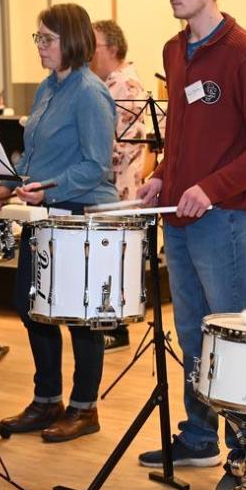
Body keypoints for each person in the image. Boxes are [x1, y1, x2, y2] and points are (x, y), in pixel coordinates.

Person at [135, 0, 246, 490]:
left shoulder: (241, 52)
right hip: (178, 215)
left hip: (221, 219)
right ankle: (199, 437)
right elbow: (182, 135)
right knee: (193, 334)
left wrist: (210, 188)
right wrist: (163, 176)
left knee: (233, 338)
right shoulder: (175, 51)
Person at [0, 4, 116, 442]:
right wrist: (6, 183)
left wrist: (49, 189)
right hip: (44, 214)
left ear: (73, 40)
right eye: (38, 38)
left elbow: (96, 166)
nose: (40, 46)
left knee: (79, 316)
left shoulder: (90, 92)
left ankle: (85, 408)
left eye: (47, 39)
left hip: (79, 214)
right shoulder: (47, 88)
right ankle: (47, 400)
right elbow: (31, 157)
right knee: (31, 306)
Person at [90, 18, 147, 353]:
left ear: (111, 48)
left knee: (113, 258)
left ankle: (116, 328)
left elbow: (122, 147)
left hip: (119, 188)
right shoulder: (108, 83)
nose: (87, 53)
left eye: (93, 45)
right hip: (109, 186)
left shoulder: (125, 85)